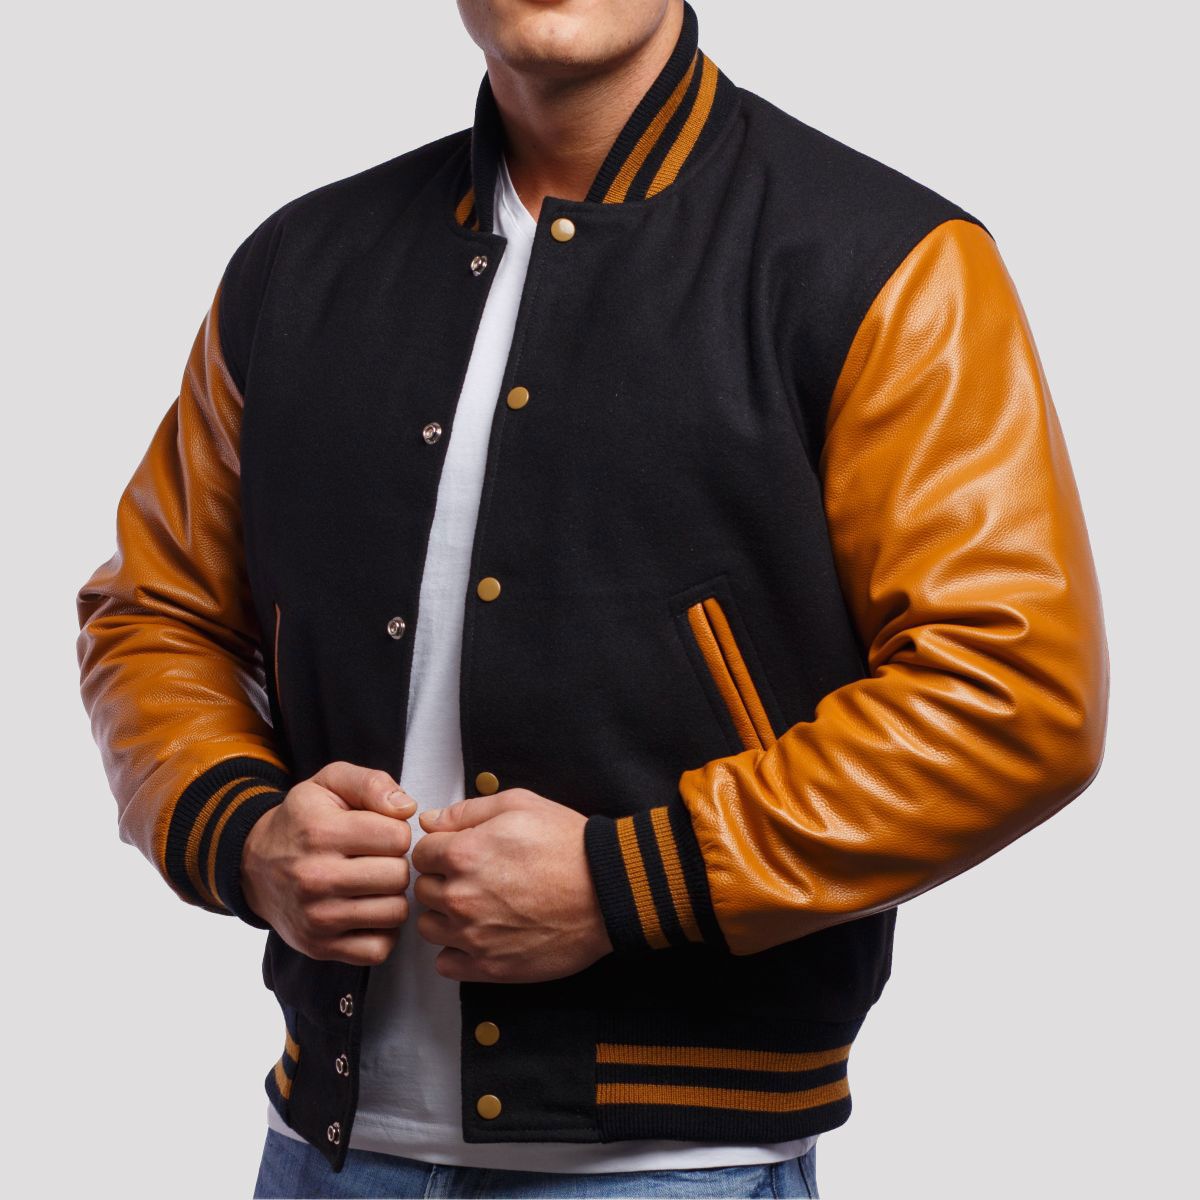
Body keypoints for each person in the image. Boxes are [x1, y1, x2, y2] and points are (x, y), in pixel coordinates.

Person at [74, 1, 1110, 1197]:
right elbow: (157, 615)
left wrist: (632, 882)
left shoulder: (885, 259)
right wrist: (242, 834)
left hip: (678, 1167)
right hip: (324, 1149)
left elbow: (1012, 686)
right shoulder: (298, 263)